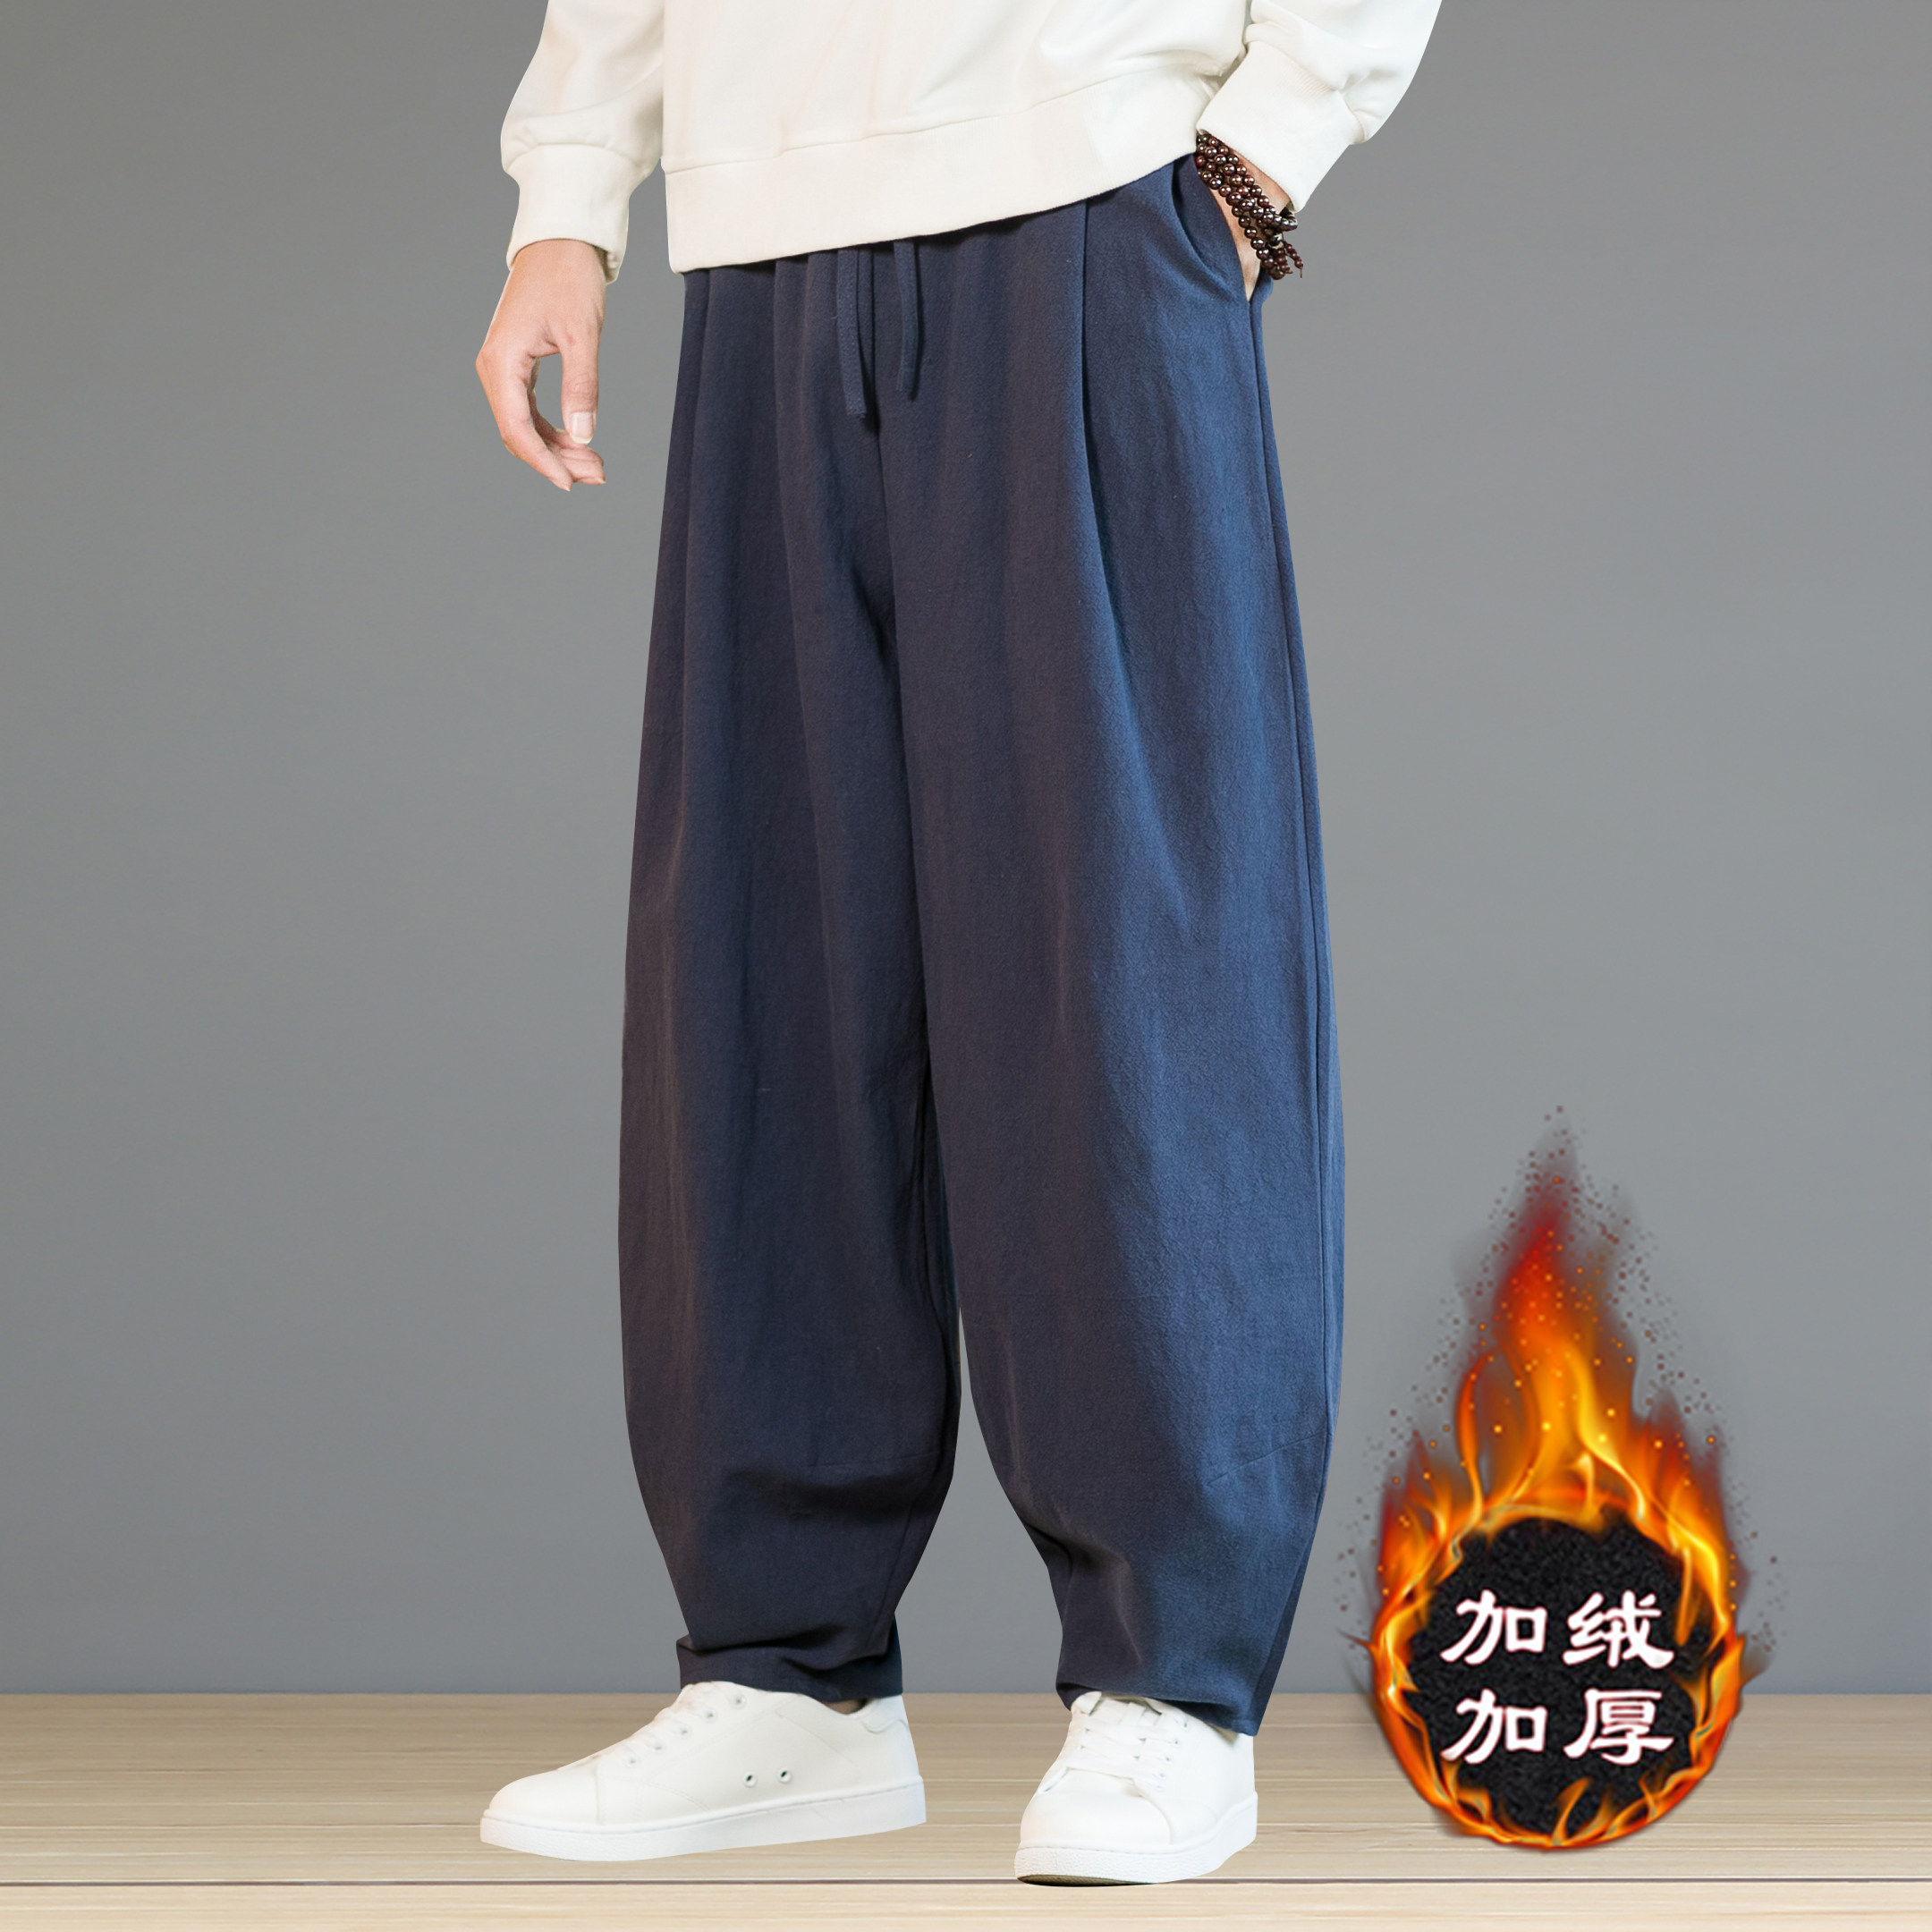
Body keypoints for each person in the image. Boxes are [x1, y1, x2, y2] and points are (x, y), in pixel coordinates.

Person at [474, 0, 1438, 1886]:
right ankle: (788, 1673)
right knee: (767, 962)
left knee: (1124, 959)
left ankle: (1171, 1684)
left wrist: (1262, 155)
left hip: (1088, 194)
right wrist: (566, 202)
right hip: (761, 248)